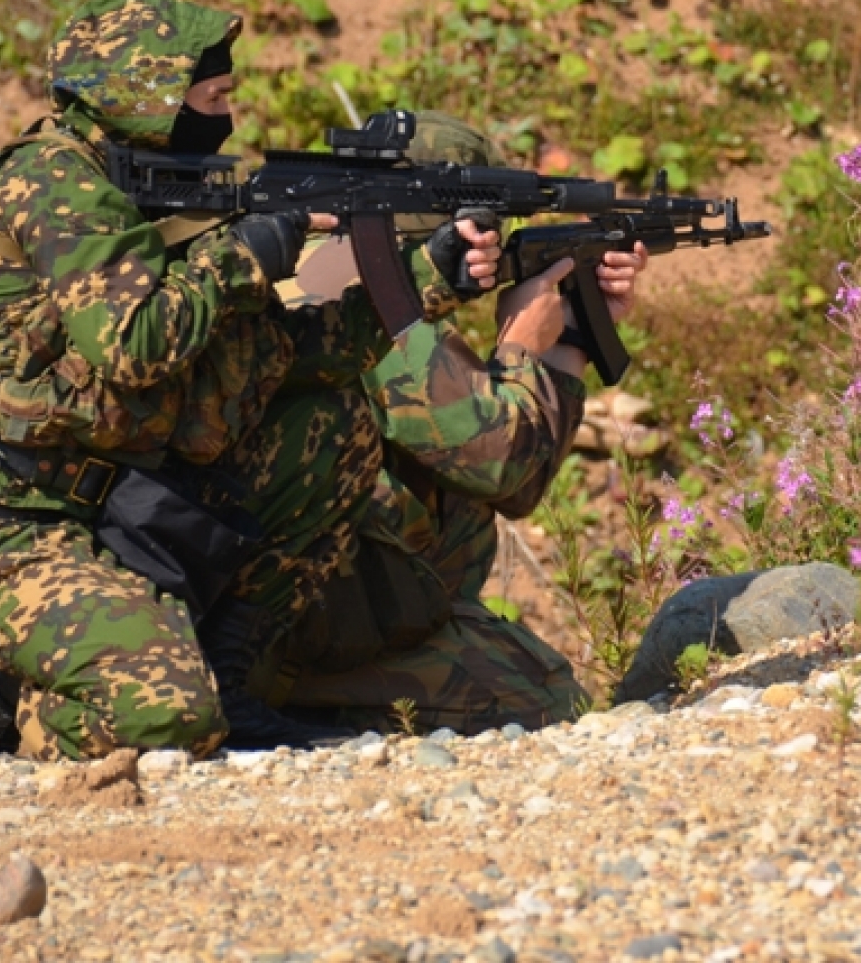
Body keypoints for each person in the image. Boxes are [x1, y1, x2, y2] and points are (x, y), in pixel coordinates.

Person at [0, 0, 497, 759]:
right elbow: (136, 344)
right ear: (146, 95)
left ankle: (228, 681)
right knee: (169, 720)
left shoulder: (142, 191)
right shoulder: (52, 181)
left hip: (101, 496)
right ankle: (37, 727)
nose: (229, 118)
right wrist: (250, 250)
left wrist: (426, 277)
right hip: (0, 515)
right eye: (213, 98)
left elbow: (283, 352)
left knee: (327, 420)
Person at [257, 113, 646, 734]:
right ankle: (309, 701)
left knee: (451, 497)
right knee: (546, 693)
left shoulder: (308, 265)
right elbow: (507, 467)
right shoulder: (363, 290)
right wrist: (526, 346)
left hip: (276, 586)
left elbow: (496, 475)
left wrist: (571, 332)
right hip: (286, 618)